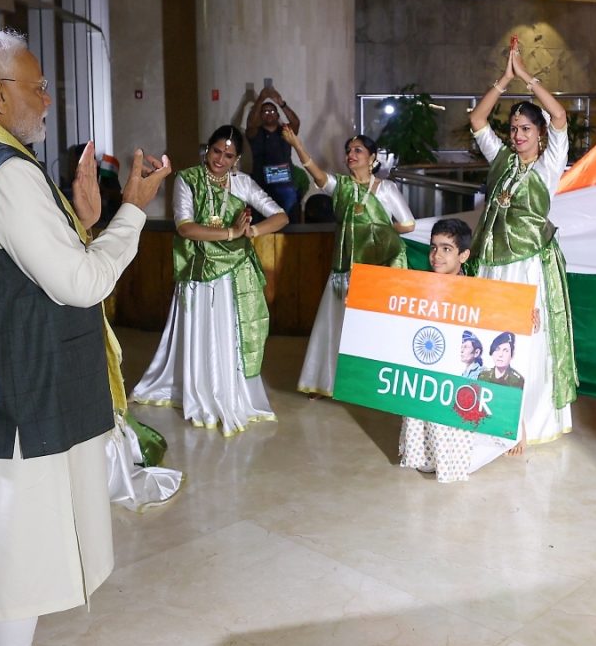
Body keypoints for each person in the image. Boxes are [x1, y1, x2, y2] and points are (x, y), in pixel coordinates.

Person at [0, 27, 170, 646]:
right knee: (17, 557)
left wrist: (78, 221)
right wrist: (132, 209)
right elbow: (78, 282)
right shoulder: (4, 171)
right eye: (38, 85)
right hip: (16, 397)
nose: (49, 97)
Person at [131, 125, 288, 435]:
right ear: (207, 149)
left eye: (228, 155)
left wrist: (254, 231)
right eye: (217, 151)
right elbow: (185, 228)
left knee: (232, 336)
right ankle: (201, 390)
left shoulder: (242, 183)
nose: (220, 159)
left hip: (234, 274)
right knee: (203, 333)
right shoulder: (187, 180)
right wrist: (231, 233)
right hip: (199, 272)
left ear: (237, 158)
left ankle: (231, 392)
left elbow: (280, 216)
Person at [468, 39, 577, 451]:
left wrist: (528, 77)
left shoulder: (550, 164)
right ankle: (491, 411)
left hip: (528, 266)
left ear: (540, 133)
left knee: (525, 336)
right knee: (490, 333)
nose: (517, 135)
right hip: (494, 264)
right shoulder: (501, 159)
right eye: (513, 129)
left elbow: (561, 114)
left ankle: (524, 419)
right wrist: (504, 80)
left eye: (525, 129)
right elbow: (479, 119)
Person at [283, 128, 415, 397]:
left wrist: (378, 234)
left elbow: (407, 224)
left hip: (375, 271)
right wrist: (297, 144)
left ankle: (374, 385)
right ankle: (328, 383)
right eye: (349, 151)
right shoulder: (341, 186)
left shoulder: (386, 188)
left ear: (373, 158)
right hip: (344, 268)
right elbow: (316, 174)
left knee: (373, 327)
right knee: (336, 325)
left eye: (358, 151)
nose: (351, 155)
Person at [399, 219, 514, 483]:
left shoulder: (479, 294)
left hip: (459, 387)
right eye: (433, 248)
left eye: (446, 249)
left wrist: (526, 318)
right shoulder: (417, 288)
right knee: (425, 464)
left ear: (463, 255)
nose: (436, 255)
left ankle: (511, 432)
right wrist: (363, 303)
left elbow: (503, 335)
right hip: (427, 383)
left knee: (455, 463)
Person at [245, 84, 302, 221]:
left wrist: (281, 103)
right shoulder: (255, 132)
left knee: (286, 220)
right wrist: (260, 100)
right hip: (261, 185)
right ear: (260, 115)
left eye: (272, 111)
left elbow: (296, 122)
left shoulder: (285, 131)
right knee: (261, 221)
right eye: (265, 112)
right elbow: (250, 124)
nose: (269, 114)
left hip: (284, 184)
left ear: (277, 115)